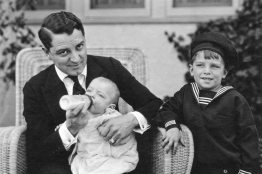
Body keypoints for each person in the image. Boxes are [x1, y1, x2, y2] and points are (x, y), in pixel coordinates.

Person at [23, 11, 162, 174]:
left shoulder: (110, 67)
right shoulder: (35, 88)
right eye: (64, 52)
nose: (76, 59)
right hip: (65, 167)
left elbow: (153, 104)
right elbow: (37, 150)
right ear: (47, 52)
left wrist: (130, 120)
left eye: (79, 47)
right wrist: (70, 129)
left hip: (113, 160)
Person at [154, 32, 260, 174]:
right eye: (200, 65)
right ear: (192, 69)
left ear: (224, 73)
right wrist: (172, 126)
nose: (207, 71)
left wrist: (246, 171)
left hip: (226, 169)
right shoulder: (186, 93)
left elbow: (248, 141)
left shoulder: (235, 99)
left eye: (214, 66)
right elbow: (166, 110)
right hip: (192, 168)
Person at [69, 77, 138, 174]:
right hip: (86, 158)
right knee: (77, 164)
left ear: (110, 108)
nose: (92, 95)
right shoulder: (81, 114)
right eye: (89, 91)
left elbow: (122, 136)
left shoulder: (110, 117)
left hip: (111, 159)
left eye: (100, 95)